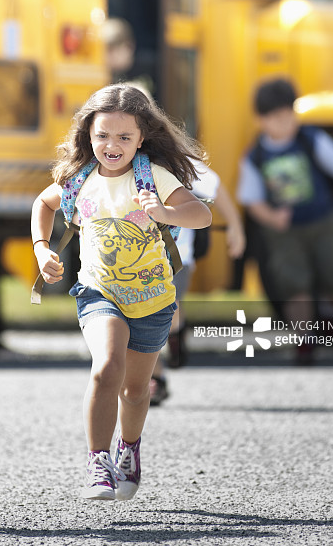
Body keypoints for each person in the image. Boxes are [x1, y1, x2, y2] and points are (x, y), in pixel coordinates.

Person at [31, 84, 211, 501]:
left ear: (141, 138)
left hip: (154, 300)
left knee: (135, 390)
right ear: (88, 135)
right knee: (106, 366)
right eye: (102, 136)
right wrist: (42, 249)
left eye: (124, 137)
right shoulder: (80, 180)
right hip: (99, 293)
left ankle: (128, 447)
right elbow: (44, 204)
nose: (112, 146)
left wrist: (164, 212)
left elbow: (200, 213)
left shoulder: (154, 177)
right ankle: (98, 461)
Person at [236, 78, 333, 363]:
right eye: (277, 118)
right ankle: (304, 341)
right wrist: (272, 217)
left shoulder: (310, 140)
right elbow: (252, 200)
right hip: (284, 232)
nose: (285, 124)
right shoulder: (255, 156)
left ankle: (331, 316)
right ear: (261, 120)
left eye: (289, 116)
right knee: (294, 284)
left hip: (322, 222)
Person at [149, 161, 246, 405]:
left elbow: (215, 188)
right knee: (144, 319)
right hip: (131, 258)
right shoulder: (117, 160)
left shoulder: (177, 161)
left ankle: (177, 332)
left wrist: (235, 226)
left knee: (168, 310)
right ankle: (155, 379)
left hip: (176, 255)